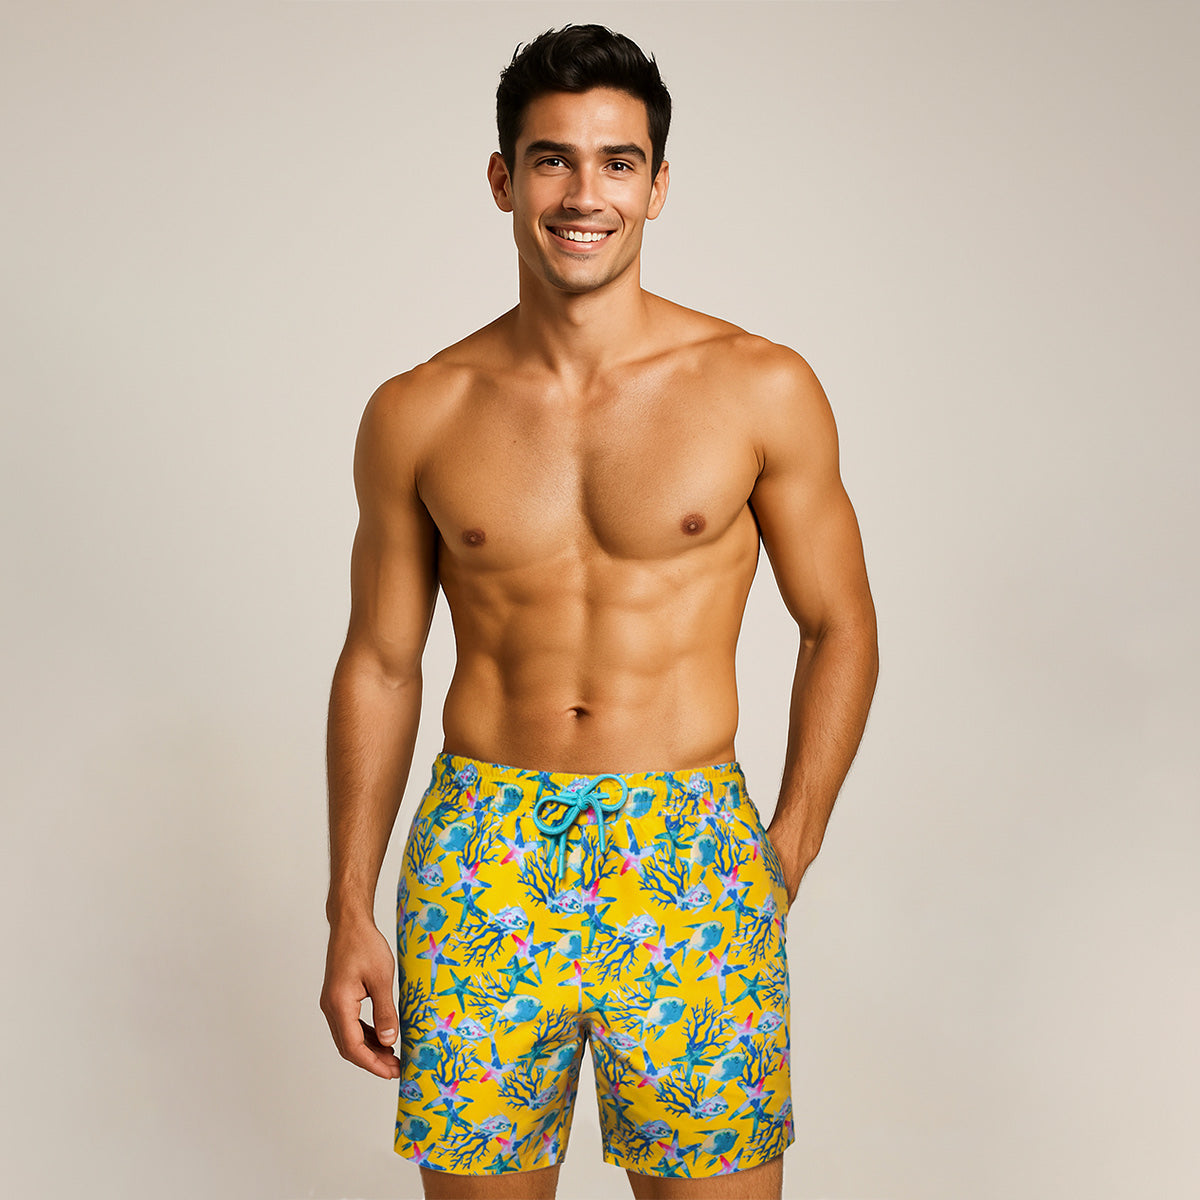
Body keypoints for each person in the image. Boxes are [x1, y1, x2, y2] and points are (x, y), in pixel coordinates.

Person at [320, 22, 878, 1200]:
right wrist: (348, 908)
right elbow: (381, 662)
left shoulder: (759, 386)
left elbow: (839, 623)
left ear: (658, 185)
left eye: (618, 162)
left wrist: (786, 848)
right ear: (503, 179)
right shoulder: (419, 410)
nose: (586, 195)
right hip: (483, 857)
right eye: (553, 160)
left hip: (689, 851)